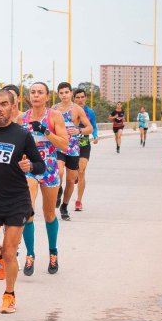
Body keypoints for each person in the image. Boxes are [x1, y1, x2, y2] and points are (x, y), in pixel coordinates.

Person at [0, 89, 45, 313]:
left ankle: (9, 294)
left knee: (12, 252)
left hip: (16, 200)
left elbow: (40, 165)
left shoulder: (22, 135)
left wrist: (29, 166)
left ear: (13, 107)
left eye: (4, 104)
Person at [20, 82, 69, 275]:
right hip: (29, 169)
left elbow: (64, 145)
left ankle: (53, 252)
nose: (36, 95)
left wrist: (45, 131)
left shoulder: (55, 116)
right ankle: (30, 254)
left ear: (47, 97)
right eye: (33, 92)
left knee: (49, 214)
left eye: (40, 92)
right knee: (28, 212)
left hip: (49, 168)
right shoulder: (21, 118)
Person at [53, 82, 93, 221]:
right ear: (58, 94)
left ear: (71, 93)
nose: (64, 95)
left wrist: (79, 130)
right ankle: (58, 190)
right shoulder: (54, 109)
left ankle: (64, 206)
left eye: (66, 92)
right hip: (58, 146)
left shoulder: (77, 109)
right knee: (59, 171)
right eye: (61, 93)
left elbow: (90, 128)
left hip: (73, 148)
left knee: (70, 180)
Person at [73, 89, 98, 211]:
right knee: (72, 175)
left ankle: (78, 201)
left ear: (86, 98)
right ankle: (75, 175)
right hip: (71, 146)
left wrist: (96, 135)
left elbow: (94, 126)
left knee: (82, 171)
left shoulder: (90, 112)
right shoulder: (69, 111)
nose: (80, 99)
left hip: (84, 145)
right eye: (77, 97)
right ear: (74, 99)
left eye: (82, 97)